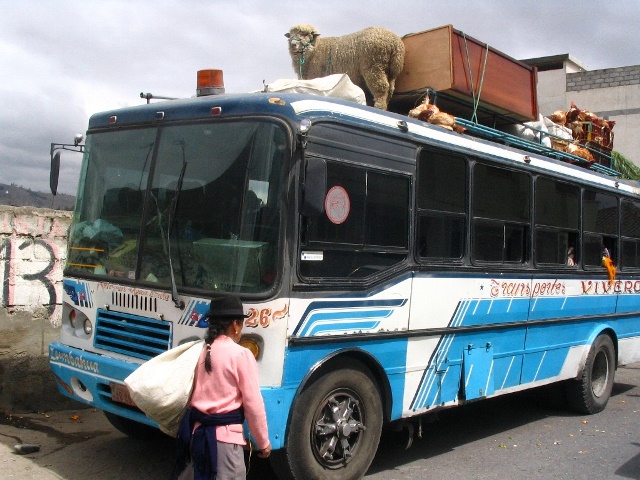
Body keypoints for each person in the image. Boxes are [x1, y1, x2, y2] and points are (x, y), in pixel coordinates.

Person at [172, 296, 271, 480]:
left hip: (196, 436)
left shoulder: (200, 351)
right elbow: (253, 404)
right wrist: (263, 441)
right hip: (225, 444)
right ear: (235, 324)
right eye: (241, 324)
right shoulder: (241, 354)